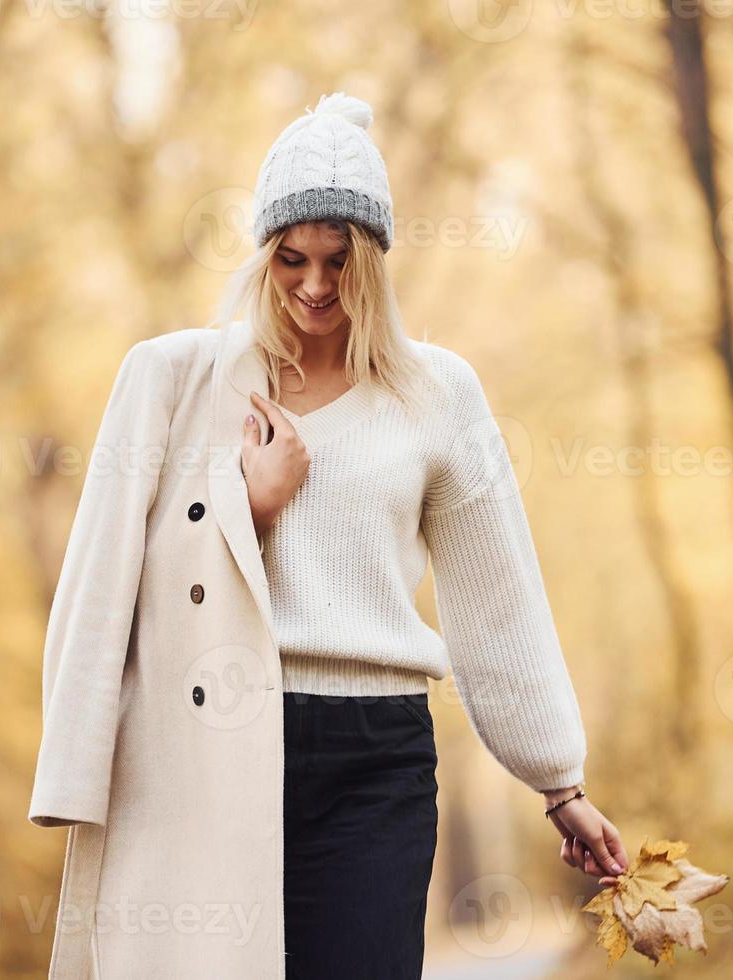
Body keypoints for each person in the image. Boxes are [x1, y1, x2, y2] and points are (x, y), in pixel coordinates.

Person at [220, 91, 630, 977]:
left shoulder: (435, 394)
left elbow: (497, 599)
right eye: (292, 259)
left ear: (373, 262)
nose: (316, 286)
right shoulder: (213, 385)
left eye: (339, 261)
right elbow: (153, 584)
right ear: (263, 257)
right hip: (229, 740)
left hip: (378, 759)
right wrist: (253, 507)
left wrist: (560, 783)